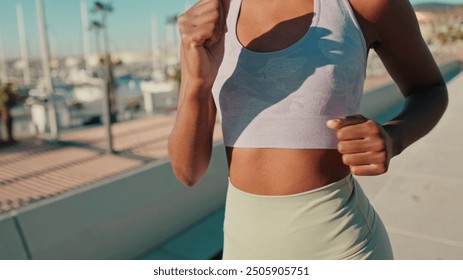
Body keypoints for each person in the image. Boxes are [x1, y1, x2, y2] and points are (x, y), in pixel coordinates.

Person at [168, 0, 448, 259]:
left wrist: (394, 137)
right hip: (243, 249)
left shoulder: (363, 4)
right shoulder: (212, 16)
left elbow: (429, 89)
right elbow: (187, 172)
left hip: (343, 249)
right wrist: (196, 84)